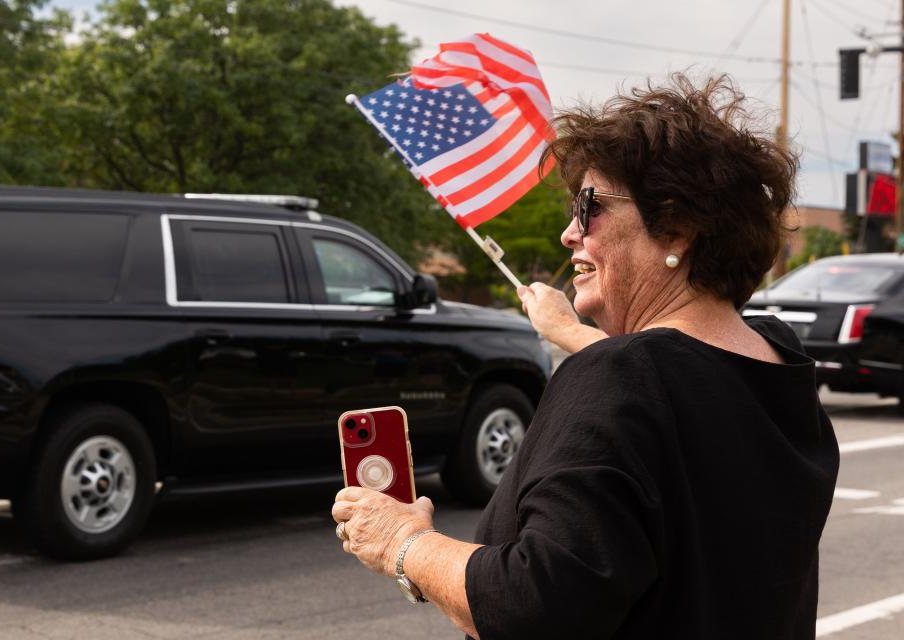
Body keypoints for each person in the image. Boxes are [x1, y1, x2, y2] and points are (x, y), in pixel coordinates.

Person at [331, 73, 839, 639]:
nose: (569, 233)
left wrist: (404, 542)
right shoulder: (776, 360)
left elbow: (534, 603)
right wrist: (572, 334)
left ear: (675, 229)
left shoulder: (621, 376)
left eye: (589, 207)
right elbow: (680, 393)